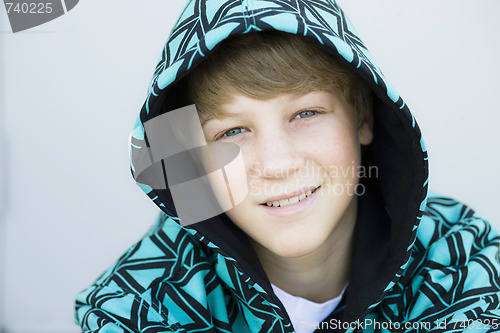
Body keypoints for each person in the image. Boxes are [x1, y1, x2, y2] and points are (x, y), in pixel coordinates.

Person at [74, 0, 500, 332]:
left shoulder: (466, 266)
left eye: (307, 114)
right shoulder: (138, 306)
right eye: (231, 132)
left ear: (363, 119)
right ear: (192, 160)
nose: (277, 165)